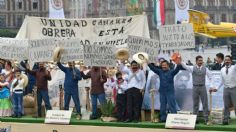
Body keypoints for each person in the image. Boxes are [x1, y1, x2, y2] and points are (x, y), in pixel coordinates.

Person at [181, 56, 213, 124]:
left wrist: (211, 86)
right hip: (195, 87)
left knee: (205, 103)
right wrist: (180, 59)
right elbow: (185, 66)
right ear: (196, 61)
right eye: (199, 60)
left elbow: (211, 77)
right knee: (195, 104)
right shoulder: (192, 68)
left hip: (203, 87)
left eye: (201, 60)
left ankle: (206, 119)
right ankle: (195, 119)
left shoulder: (205, 69)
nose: (200, 62)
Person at [210, 55, 236, 125]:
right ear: (224, 61)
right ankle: (226, 119)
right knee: (226, 105)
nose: (227, 61)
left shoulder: (234, 68)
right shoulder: (222, 69)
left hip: (234, 88)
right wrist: (216, 88)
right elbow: (221, 81)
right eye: (226, 60)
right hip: (226, 89)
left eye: (228, 60)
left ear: (231, 61)